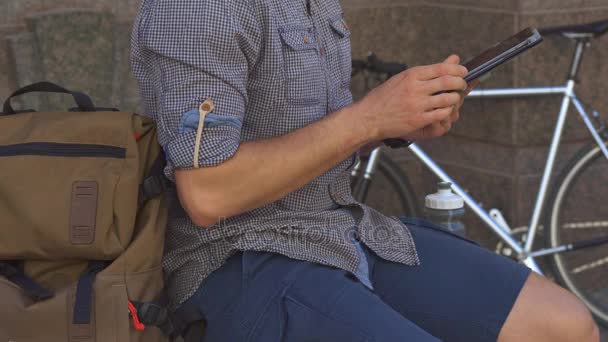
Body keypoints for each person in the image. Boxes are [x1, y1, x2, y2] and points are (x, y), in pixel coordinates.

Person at [130, 0, 600, 341]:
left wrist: (399, 122)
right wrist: (369, 117)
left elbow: (320, 135)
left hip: (343, 228)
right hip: (239, 259)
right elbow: (207, 193)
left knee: (565, 325)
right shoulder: (197, 8)